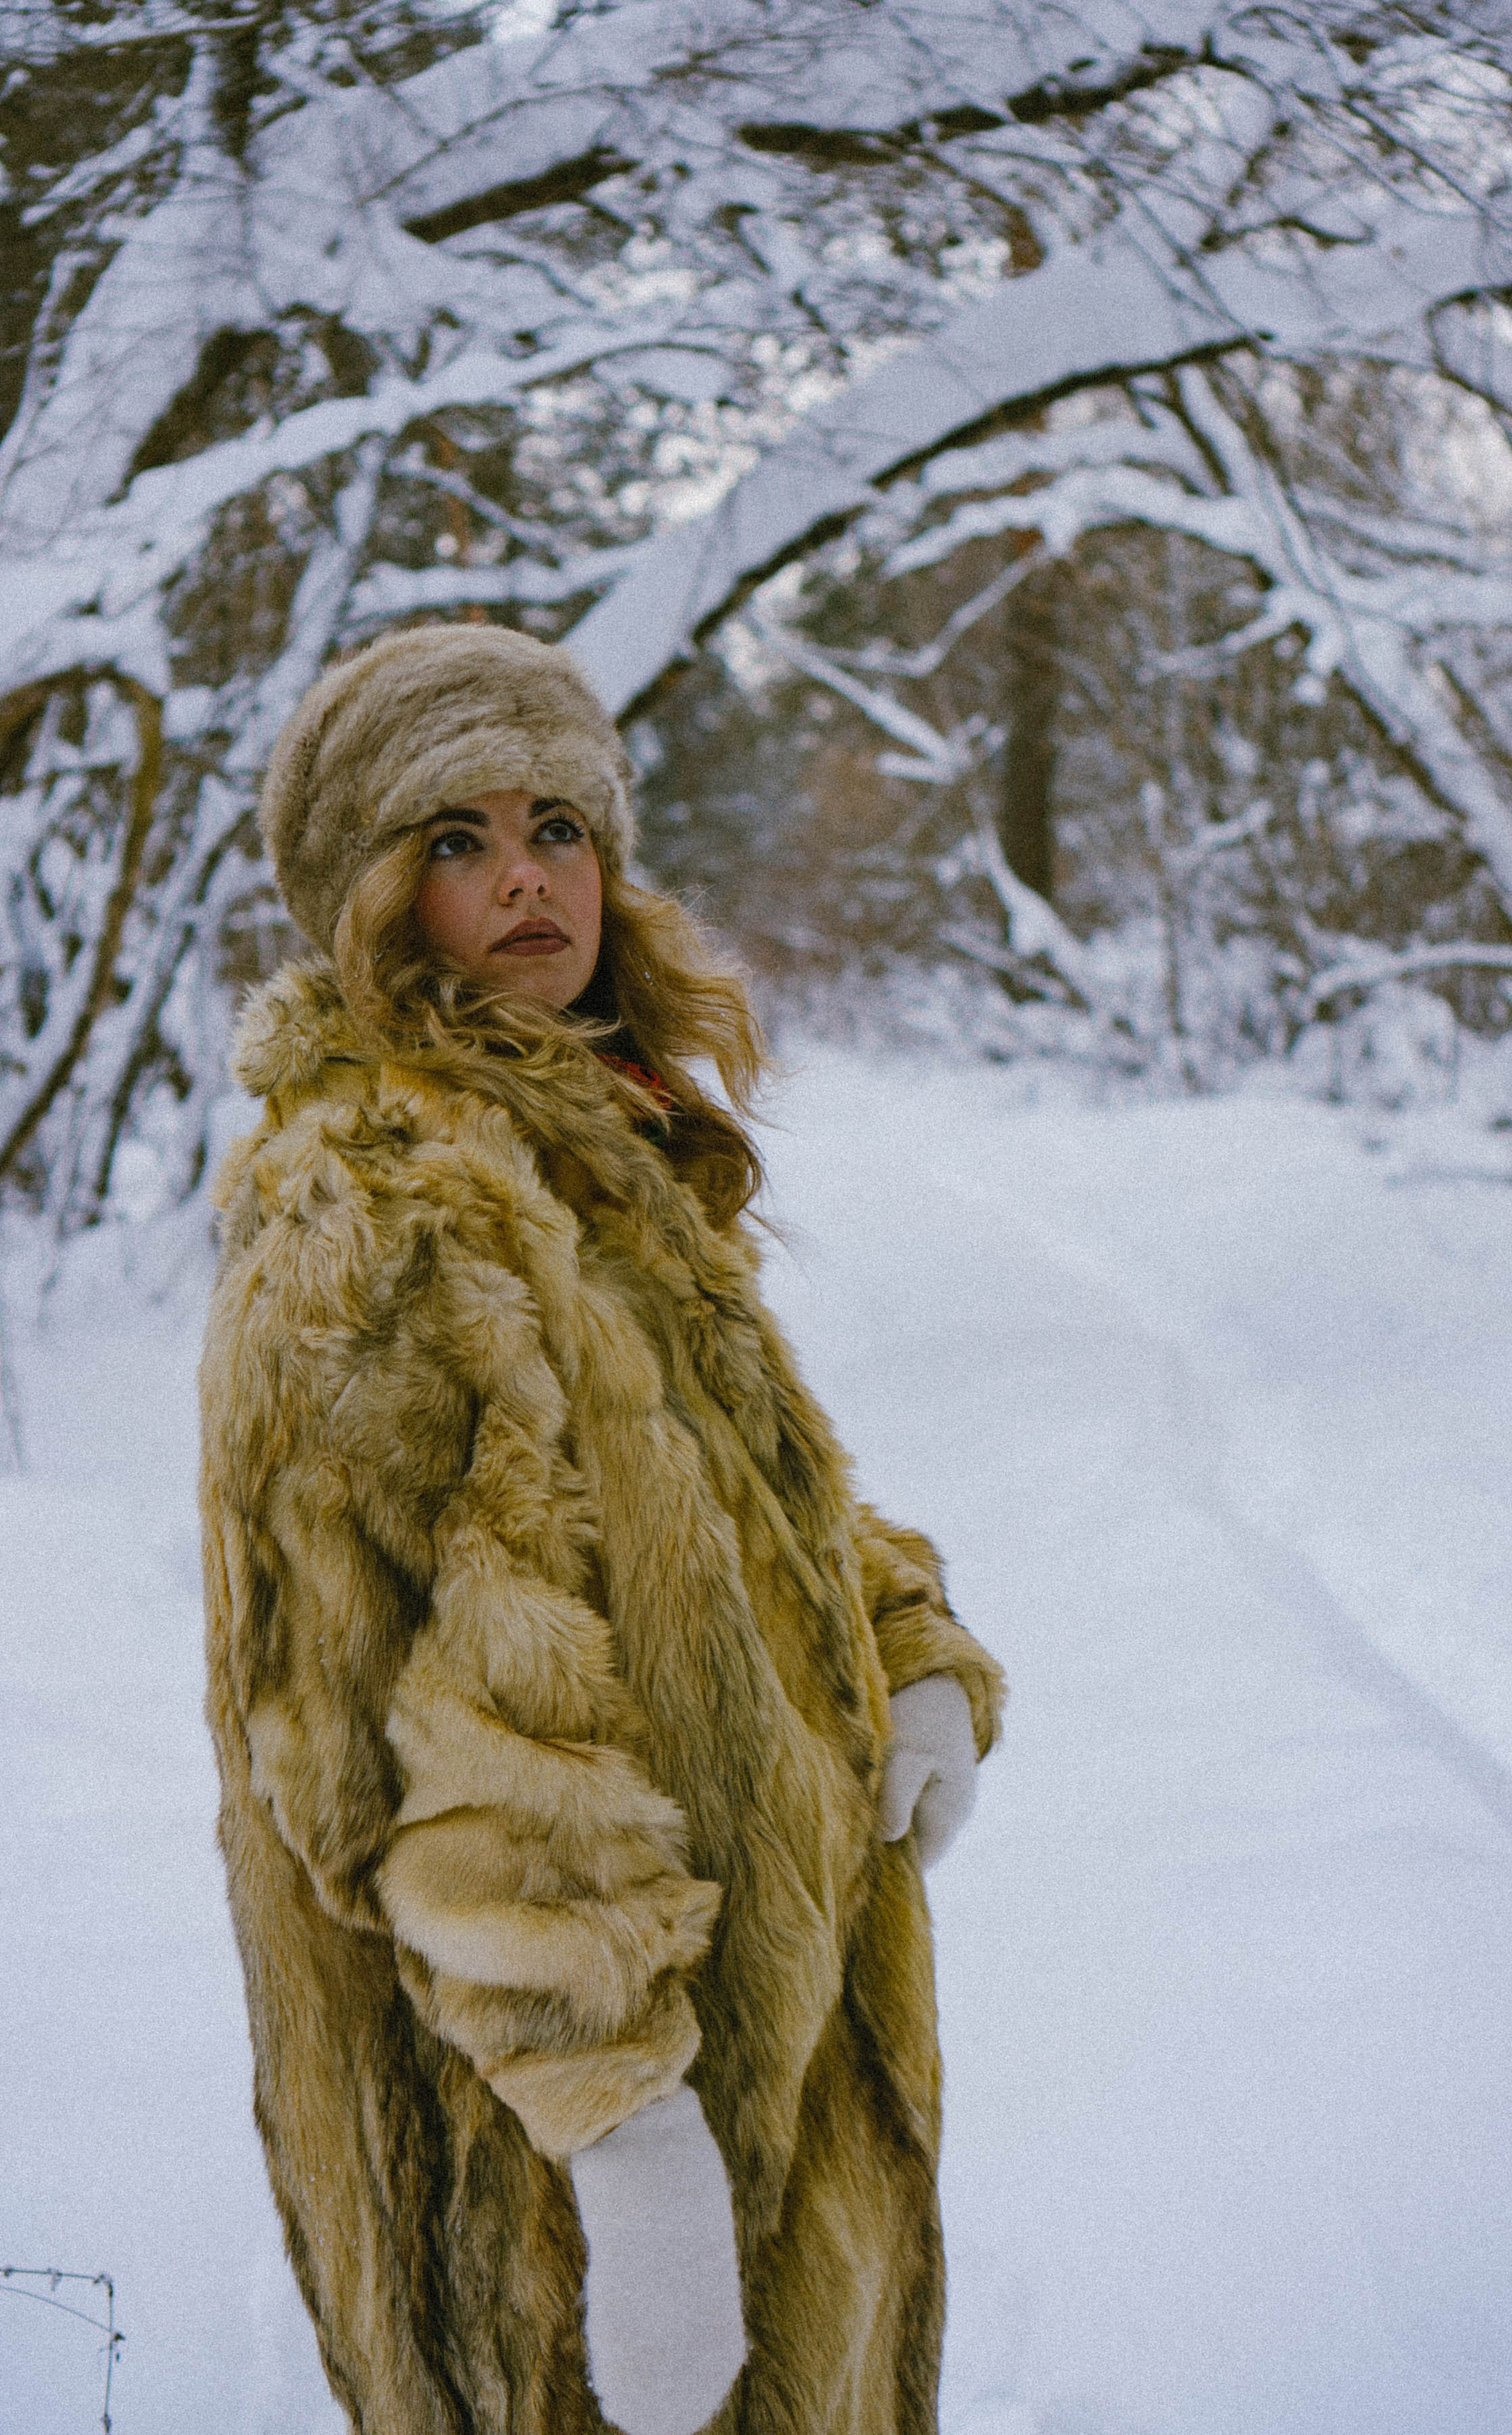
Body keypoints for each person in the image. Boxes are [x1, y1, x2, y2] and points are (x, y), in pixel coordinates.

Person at [200, 624, 1005, 2435]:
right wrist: (628, 2137)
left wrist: (910, 1647)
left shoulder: (592, 1141)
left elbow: (717, 1500)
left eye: (556, 825)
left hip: (755, 2032)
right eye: (456, 838)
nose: (524, 880)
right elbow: (411, 1721)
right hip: (547, 2132)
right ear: (367, 890)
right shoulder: (383, 1212)